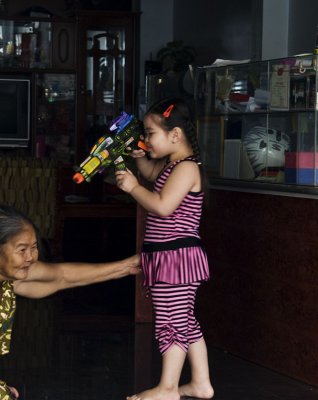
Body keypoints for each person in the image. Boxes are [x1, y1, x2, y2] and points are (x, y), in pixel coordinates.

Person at [115, 97, 214, 400]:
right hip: (170, 257)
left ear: (175, 135)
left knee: (170, 322)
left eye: (150, 133)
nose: (146, 140)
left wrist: (133, 189)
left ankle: (168, 388)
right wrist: (134, 156)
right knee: (184, 319)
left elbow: (163, 206)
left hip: (176, 258)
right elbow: (149, 174)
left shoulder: (185, 169)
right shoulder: (173, 166)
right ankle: (200, 383)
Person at [0, 204, 140, 400]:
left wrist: (126, 267)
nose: (30, 257)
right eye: (22, 249)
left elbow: (61, 276)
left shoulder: (8, 281)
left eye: (33, 248)